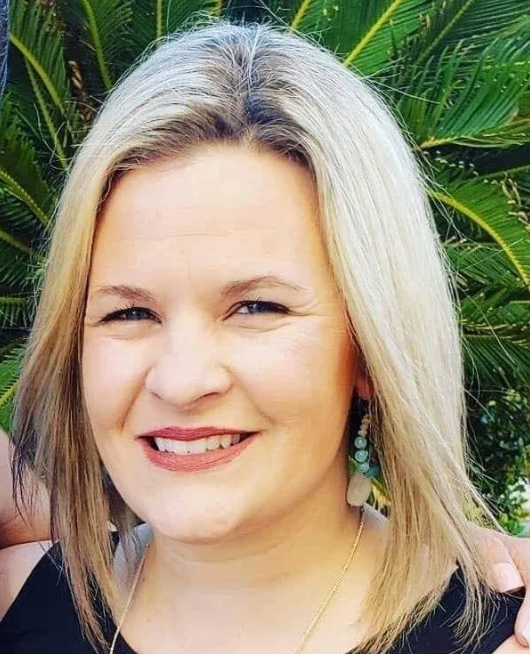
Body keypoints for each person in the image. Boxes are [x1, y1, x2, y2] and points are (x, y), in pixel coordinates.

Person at [0, 20, 528, 654]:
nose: (182, 381)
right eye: (129, 314)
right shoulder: (19, 603)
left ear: (371, 346)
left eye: (256, 307)